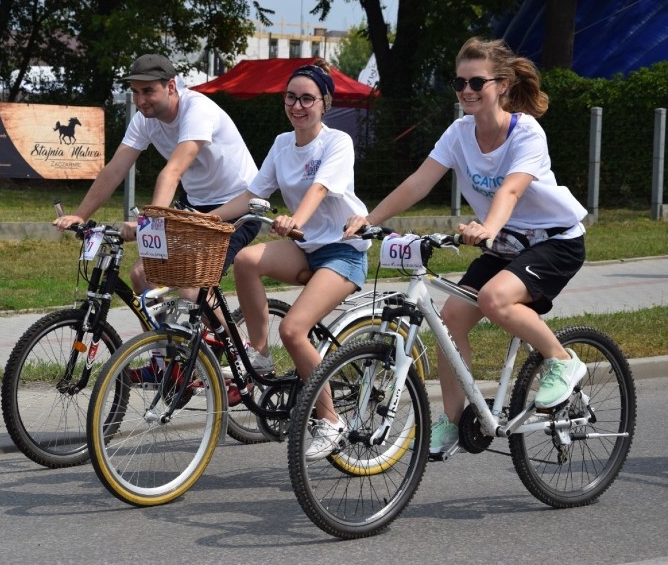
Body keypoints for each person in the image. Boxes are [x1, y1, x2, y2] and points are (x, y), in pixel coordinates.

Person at [344, 37, 588, 455]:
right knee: (451, 319)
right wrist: (370, 219)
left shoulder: (525, 132)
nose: (467, 91)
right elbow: (419, 182)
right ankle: (453, 421)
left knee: (494, 298)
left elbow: (510, 191)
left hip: (555, 240)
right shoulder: (459, 133)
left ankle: (563, 361)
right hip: (507, 246)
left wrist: (488, 227)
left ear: (503, 84)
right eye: (459, 83)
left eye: (477, 82)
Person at [53, 54, 261, 385]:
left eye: (148, 91)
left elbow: (173, 170)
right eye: (135, 92)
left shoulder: (198, 111)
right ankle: (166, 361)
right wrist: (81, 214)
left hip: (239, 204)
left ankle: (243, 356)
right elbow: (115, 170)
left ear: (171, 86)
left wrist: (151, 224)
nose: (140, 100)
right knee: (143, 275)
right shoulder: (145, 118)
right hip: (197, 205)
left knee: (189, 288)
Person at [211, 59, 371, 461]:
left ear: (325, 103)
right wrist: (204, 220)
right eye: (290, 98)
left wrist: (295, 219)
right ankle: (259, 354)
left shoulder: (337, 143)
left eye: (307, 99)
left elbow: (320, 188)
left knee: (295, 330)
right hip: (307, 247)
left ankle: (331, 420)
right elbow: (253, 195)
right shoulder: (283, 143)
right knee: (247, 260)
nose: (297, 106)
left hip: (342, 251)